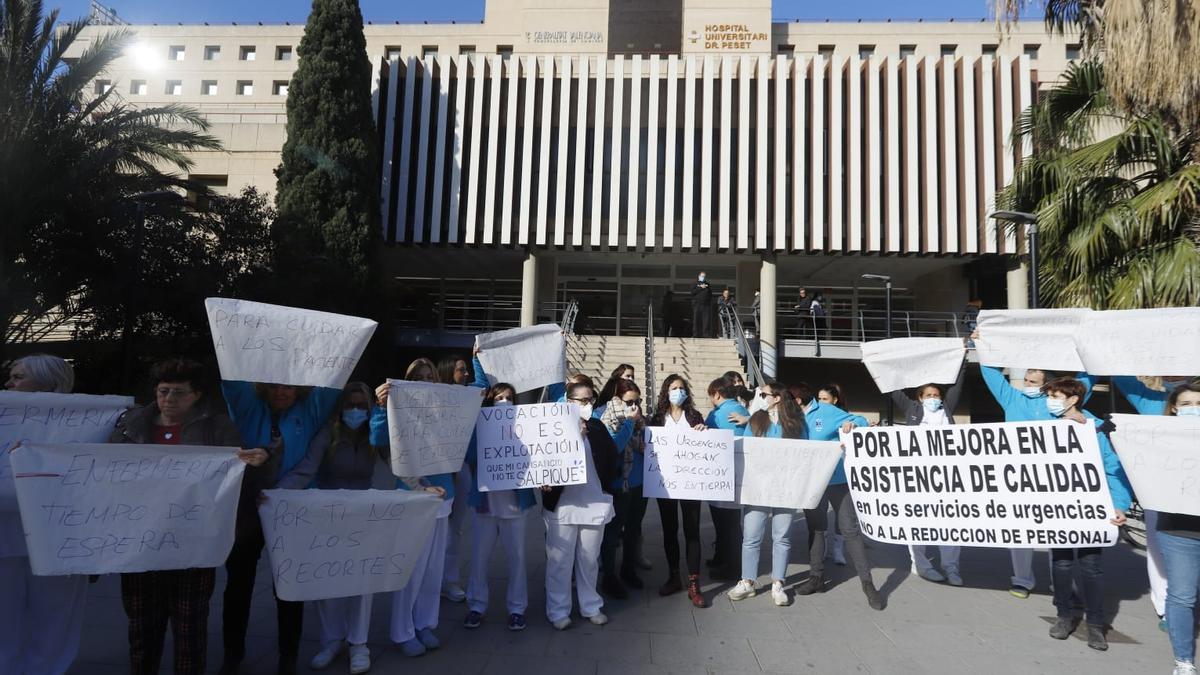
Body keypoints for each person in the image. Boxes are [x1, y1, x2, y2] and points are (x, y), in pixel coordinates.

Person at [110, 358, 267, 675]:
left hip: (193, 544)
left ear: (197, 395)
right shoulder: (131, 426)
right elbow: (101, 467)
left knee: (190, 626)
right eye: (163, 391)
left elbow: (236, 475)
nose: (169, 399)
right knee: (141, 625)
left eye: (179, 393)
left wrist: (256, 460)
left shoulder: (218, 427)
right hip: (140, 541)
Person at [220, 367, 342, 675]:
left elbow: (333, 375)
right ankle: (232, 654)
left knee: (288, 584)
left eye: (288, 386)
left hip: (290, 509)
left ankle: (288, 656)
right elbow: (233, 377)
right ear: (263, 387)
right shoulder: (248, 408)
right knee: (238, 584)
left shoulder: (311, 410)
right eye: (274, 385)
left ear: (299, 388)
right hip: (247, 508)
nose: (281, 391)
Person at [977, 345, 1096, 600]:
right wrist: (984, 343)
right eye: (1026, 380)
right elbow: (989, 372)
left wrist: (1089, 347)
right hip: (1019, 477)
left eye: (1034, 381)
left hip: (1054, 479)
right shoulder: (1013, 398)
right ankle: (1022, 580)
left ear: (1047, 385)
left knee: (1058, 533)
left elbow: (1085, 380)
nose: (1027, 384)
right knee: (1019, 532)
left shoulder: (1058, 405)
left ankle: (1061, 583)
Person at [275, 381, 377, 674]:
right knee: (328, 580)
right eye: (350, 405)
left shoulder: (374, 434)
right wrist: (278, 492)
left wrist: (422, 486)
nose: (355, 410)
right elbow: (306, 468)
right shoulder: (327, 434)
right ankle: (332, 640)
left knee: (361, 582)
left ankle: (359, 644)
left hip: (363, 516)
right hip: (328, 517)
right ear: (341, 407)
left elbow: (399, 463)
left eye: (361, 405)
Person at [1, 355, 89, 675]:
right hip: (4, 535)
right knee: (4, 619)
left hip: (58, 538)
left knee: (55, 618)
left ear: (49, 382)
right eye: (10, 377)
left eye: (18, 377)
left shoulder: (86, 422)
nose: (9, 384)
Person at [370, 358, 458, 657]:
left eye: (430, 377)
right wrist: (382, 408)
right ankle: (402, 631)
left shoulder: (445, 410)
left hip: (443, 496)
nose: (425, 381)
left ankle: (424, 624)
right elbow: (378, 438)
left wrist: (477, 361)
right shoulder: (398, 409)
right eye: (417, 377)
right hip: (412, 496)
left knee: (433, 570)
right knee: (412, 569)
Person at [1040, 376, 1132, 651]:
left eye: (1056, 396)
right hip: (1058, 510)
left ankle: (1095, 624)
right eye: (1051, 396)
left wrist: (1119, 505)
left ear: (1073, 400)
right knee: (1061, 563)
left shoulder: (1095, 429)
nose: (1050, 401)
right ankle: (1064, 616)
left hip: (1091, 510)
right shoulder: (1044, 428)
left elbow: (1113, 469)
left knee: (1091, 567)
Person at [1112, 375, 1196, 630]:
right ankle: (1166, 607)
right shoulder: (1151, 402)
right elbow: (1118, 374)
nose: (1192, 407)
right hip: (1161, 492)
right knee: (1159, 550)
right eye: (1186, 403)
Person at [792, 383, 883, 610]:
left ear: (798, 400)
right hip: (812, 482)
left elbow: (859, 420)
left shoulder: (826, 410)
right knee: (816, 529)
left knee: (849, 529)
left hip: (837, 479)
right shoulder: (792, 417)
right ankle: (816, 577)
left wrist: (853, 423)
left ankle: (867, 583)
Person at [542, 382, 619, 629]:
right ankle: (558, 611)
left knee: (589, 559)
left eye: (590, 399)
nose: (588, 404)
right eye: (582, 400)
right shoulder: (552, 430)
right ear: (568, 401)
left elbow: (611, 460)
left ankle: (590, 606)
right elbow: (540, 459)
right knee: (559, 561)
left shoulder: (597, 427)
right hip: (562, 505)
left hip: (593, 502)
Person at [463, 383, 537, 632]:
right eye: (498, 397)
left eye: (508, 398)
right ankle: (476, 605)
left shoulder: (525, 427)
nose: (503, 401)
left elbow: (537, 458)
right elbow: (470, 457)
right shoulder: (479, 425)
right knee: (479, 558)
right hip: (485, 505)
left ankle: (517, 609)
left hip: (515, 506)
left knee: (517, 558)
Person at [727, 381, 806, 606]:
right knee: (751, 535)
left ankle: (778, 583)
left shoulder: (796, 421)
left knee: (782, 536)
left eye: (764, 393)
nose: (761, 396)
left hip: (785, 486)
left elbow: (809, 448)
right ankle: (747, 581)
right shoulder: (757, 418)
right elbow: (746, 447)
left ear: (778, 397)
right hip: (758, 485)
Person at [890, 369, 966, 586]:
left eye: (936, 395)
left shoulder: (947, 409)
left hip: (946, 476)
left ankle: (951, 568)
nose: (933, 399)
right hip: (917, 476)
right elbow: (893, 389)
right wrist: (878, 366)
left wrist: (963, 358)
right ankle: (921, 565)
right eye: (928, 395)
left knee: (950, 523)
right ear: (920, 398)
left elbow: (957, 386)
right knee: (917, 521)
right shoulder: (912, 409)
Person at [1153, 382, 1200, 675]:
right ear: (1173, 408)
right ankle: (1184, 661)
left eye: (1198, 402)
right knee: (1183, 596)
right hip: (1178, 532)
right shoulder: (1156, 439)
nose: (1193, 408)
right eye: (1186, 404)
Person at [651, 374, 709, 607]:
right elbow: (648, 444)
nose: (678, 391)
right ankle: (674, 575)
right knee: (669, 530)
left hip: (690, 484)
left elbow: (706, 443)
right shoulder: (657, 418)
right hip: (665, 484)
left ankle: (694, 582)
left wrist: (704, 432)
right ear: (666, 391)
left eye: (682, 388)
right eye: (674, 388)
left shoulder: (694, 415)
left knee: (692, 531)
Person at [598, 379, 647, 599]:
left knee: (633, 529)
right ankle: (609, 576)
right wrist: (629, 422)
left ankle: (628, 569)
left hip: (638, 482)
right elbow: (614, 446)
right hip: (618, 484)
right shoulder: (607, 417)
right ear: (618, 398)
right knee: (613, 532)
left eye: (638, 401)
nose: (634, 407)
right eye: (629, 402)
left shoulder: (639, 420)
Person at [439, 353, 478, 604]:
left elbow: (483, 382)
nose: (465, 375)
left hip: (462, 467)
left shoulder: (471, 394)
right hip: (437, 469)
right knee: (435, 530)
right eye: (460, 370)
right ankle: (431, 579)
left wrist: (477, 359)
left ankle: (449, 581)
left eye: (466, 370)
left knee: (455, 528)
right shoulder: (435, 396)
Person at [705, 379, 750, 582]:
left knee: (725, 524)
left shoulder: (718, 414)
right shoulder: (742, 409)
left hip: (722, 474)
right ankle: (722, 559)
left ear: (716, 394)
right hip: (740, 473)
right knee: (730, 523)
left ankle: (732, 567)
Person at [690, 271, 713, 337]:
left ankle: (705, 334)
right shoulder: (695, 283)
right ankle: (695, 334)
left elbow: (710, 294)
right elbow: (692, 293)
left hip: (705, 305)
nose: (703, 277)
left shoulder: (707, 284)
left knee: (706, 320)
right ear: (699, 276)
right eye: (702, 276)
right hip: (697, 305)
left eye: (704, 276)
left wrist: (709, 302)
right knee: (696, 320)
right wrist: (700, 288)